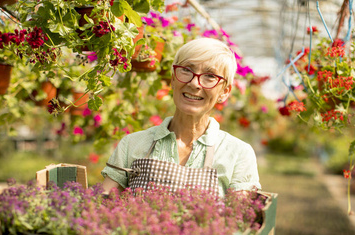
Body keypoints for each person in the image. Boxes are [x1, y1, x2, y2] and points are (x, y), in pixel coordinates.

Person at [101, 37, 261, 199]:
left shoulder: (238, 153)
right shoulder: (131, 145)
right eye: (186, 70)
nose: (194, 83)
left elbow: (239, 217)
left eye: (210, 76)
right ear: (172, 79)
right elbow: (102, 205)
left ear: (225, 92)